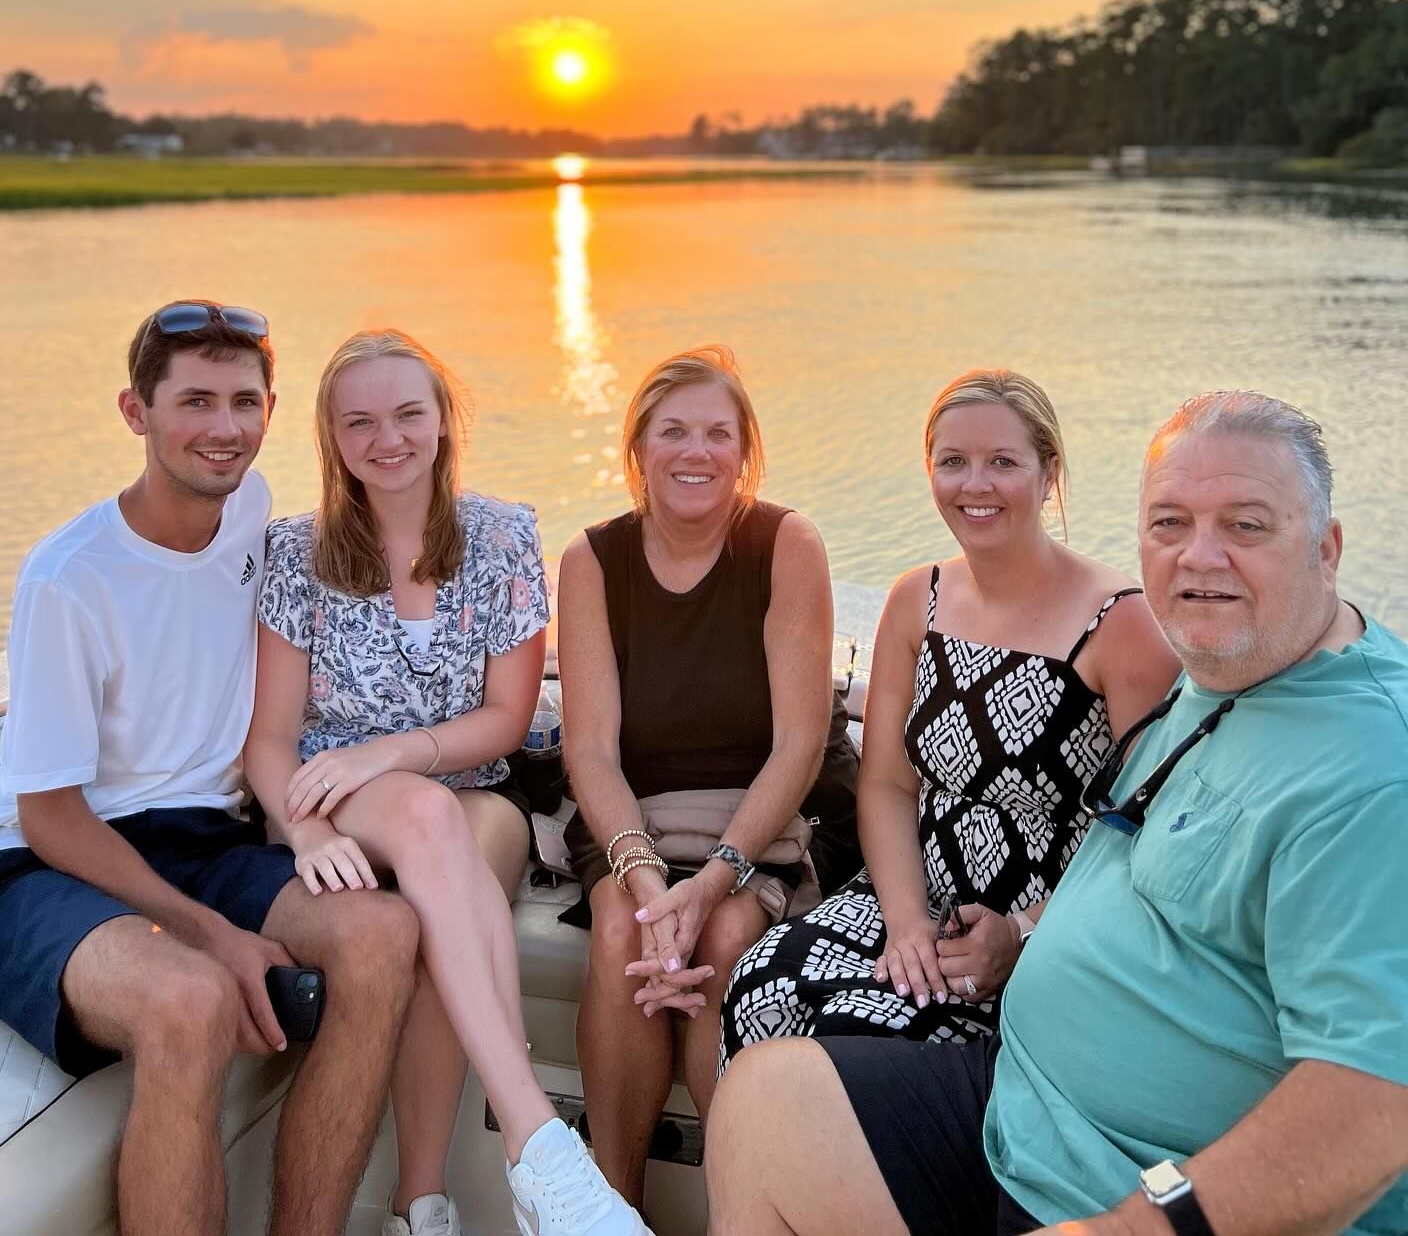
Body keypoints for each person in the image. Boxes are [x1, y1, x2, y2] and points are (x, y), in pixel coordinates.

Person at [707, 390, 1408, 1236]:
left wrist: (1126, 1228)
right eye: (1170, 523)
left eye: (1246, 526)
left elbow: (1377, 1099)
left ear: (1326, 550)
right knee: (762, 1106)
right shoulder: (1229, 669)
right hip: (1026, 1109)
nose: (1199, 558)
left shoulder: (1372, 767)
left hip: (1119, 1180)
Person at [0, 301, 419, 1236]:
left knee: (382, 936)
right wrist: (210, 933)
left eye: (245, 402)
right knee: (190, 999)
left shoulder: (249, 510)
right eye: (196, 402)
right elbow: (48, 814)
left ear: (271, 410)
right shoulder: (69, 579)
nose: (225, 428)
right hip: (45, 859)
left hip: (203, 836)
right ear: (136, 412)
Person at [247, 328, 648, 1236]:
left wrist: (387, 753)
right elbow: (267, 741)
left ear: (442, 421)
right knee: (430, 820)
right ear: (332, 437)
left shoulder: (502, 537)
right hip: (326, 797)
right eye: (359, 422)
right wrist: (307, 830)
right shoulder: (296, 552)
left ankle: (420, 1206)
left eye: (406, 414)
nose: (386, 439)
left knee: (446, 912)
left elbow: (507, 719)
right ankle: (538, 1147)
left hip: (471, 781)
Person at [720, 368, 1177, 1062]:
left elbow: (1146, 834)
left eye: (1003, 462)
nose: (975, 485)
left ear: (1049, 472)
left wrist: (1022, 933)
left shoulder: (1121, 624)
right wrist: (905, 922)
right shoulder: (917, 600)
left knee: (861, 1039)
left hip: (1049, 924)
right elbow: (886, 785)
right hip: (912, 891)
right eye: (953, 461)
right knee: (760, 987)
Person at [556, 345, 860, 1210]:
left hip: (771, 812)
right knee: (623, 932)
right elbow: (591, 752)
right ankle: (614, 1212)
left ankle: (745, 1215)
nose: (697, 452)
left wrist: (717, 877)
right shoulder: (593, 560)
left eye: (718, 434)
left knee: (727, 938)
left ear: (745, 452)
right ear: (637, 450)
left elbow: (799, 745)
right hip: (636, 815)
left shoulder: (785, 544)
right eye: (674, 432)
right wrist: (649, 882)